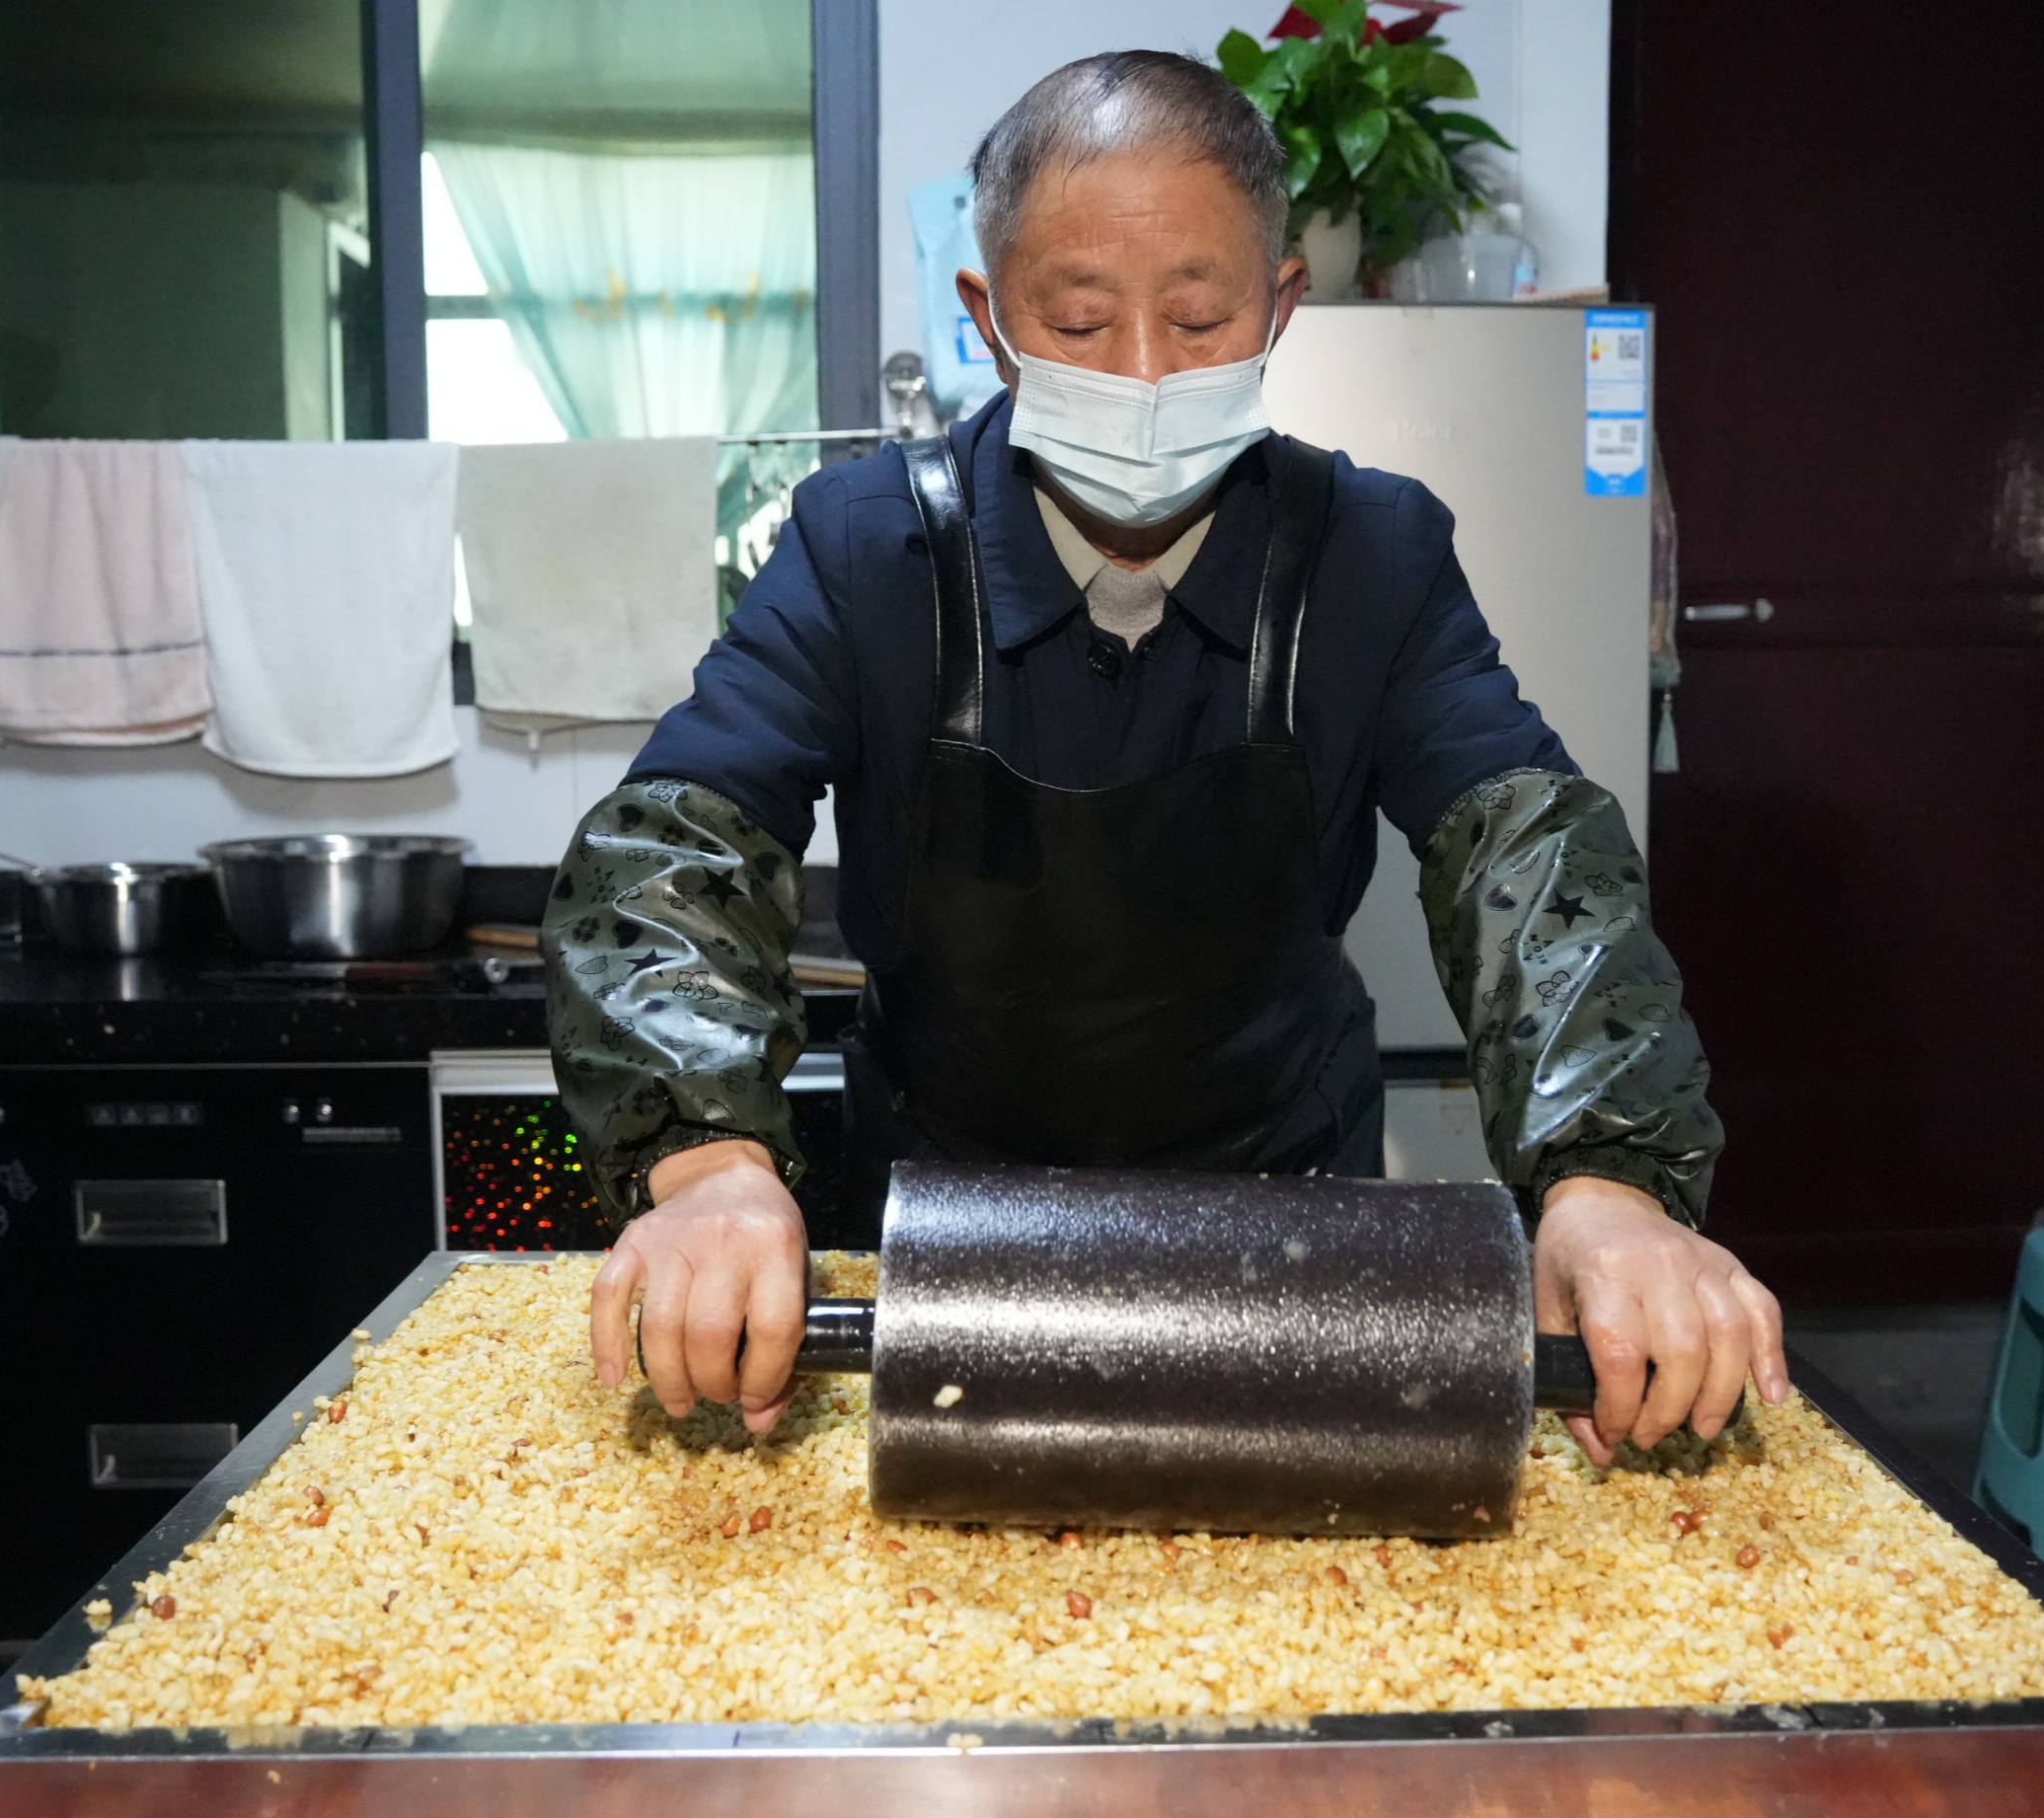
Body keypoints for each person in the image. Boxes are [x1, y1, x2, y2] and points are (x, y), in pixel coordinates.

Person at [541, 49, 1784, 1471]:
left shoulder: (1372, 554)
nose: (1141, 375)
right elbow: (672, 842)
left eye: (1199, 319)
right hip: (943, 1238)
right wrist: (702, 1158)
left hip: (1283, 1234)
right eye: (1079, 319)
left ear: (1279, 306)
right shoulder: (862, 549)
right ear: (990, 317)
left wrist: (1606, 1178)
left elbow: (1531, 848)